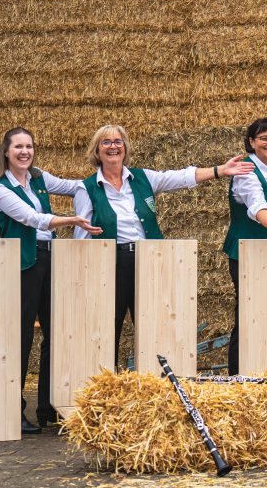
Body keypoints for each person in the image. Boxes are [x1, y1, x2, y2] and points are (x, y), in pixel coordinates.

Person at [74, 124, 254, 364]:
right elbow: (81, 234)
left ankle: (154, 385)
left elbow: (180, 177)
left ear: (125, 148)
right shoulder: (85, 188)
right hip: (110, 263)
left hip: (148, 260)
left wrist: (219, 170)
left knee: (152, 326)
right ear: (96, 150)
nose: (113, 146)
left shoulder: (142, 178)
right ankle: (106, 383)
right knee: (107, 327)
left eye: (118, 142)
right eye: (106, 142)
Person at [0, 127, 102, 434]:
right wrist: (73, 221)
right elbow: (31, 219)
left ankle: (50, 405)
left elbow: (77, 186)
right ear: (6, 152)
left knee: (57, 331)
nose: (25, 152)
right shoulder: (0, 189)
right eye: (19, 147)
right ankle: (13, 407)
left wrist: (105, 181)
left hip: (49, 256)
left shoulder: (38, 178)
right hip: (23, 262)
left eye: (29, 146)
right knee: (21, 335)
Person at [222, 118, 267, 375]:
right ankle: (237, 376)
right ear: (251, 142)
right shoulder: (246, 171)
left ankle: (265, 373)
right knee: (248, 316)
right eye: (264, 138)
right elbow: (256, 204)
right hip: (247, 253)